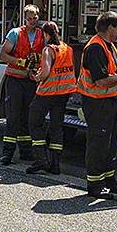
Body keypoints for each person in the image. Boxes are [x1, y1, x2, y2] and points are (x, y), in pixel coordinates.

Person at [77, 11, 117, 197]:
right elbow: (101, 80)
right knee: (99, 145)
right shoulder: (96, 47)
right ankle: (95, 185)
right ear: (109, 27)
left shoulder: (107, 46)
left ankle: (109, 180)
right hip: (97, 103)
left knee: (111, 144)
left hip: (109, 102)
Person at [0, 5, 45, 164]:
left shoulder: (41, 35)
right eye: (30, 18)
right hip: (15, 80)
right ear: (25, 19)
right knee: (13, 117)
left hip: (31, 81)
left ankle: (26, 151)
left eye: (35, 18)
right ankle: (8, 153)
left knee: (27, 117)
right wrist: (20, 62)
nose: (33, 21)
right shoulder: (15, 33)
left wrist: (38, 65)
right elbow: (3, 55)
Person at [25, 20, 74, 175]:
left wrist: (35, 76)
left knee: (34, 122)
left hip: (47, 93)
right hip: (64, 93)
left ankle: (41, 160)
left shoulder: (48, 49)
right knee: (57, 125)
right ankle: (55, 164)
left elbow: (45, 72)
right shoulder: (68, 48)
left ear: (45, 34)